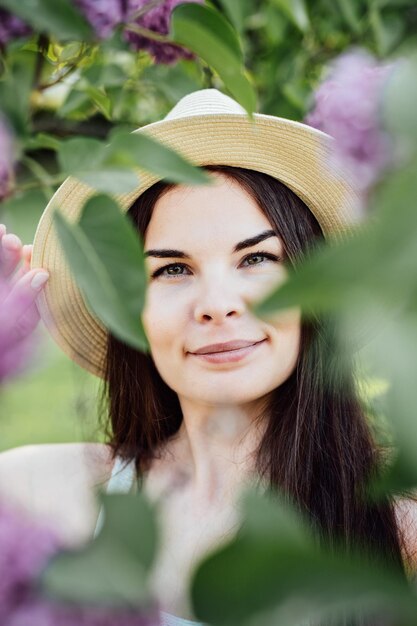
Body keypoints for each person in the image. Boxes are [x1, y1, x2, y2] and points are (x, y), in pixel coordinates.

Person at [0, 89, 416, 626]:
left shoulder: (397, 534)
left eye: (258, 258)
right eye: (173, 270)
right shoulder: (44, 496)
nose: (218, 306)